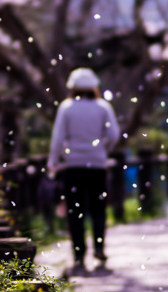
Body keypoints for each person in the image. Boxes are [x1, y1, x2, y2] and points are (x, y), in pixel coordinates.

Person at [47, 67, 120, 274]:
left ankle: (79, 255)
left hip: (73, 166)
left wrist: (53, 160)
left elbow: (58, 138)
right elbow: (114, 134)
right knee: (98, 209)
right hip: (97, 165)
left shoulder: (67, 107)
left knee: (75, 211)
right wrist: (102, 150)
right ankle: (99, 248)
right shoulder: (102, 107)